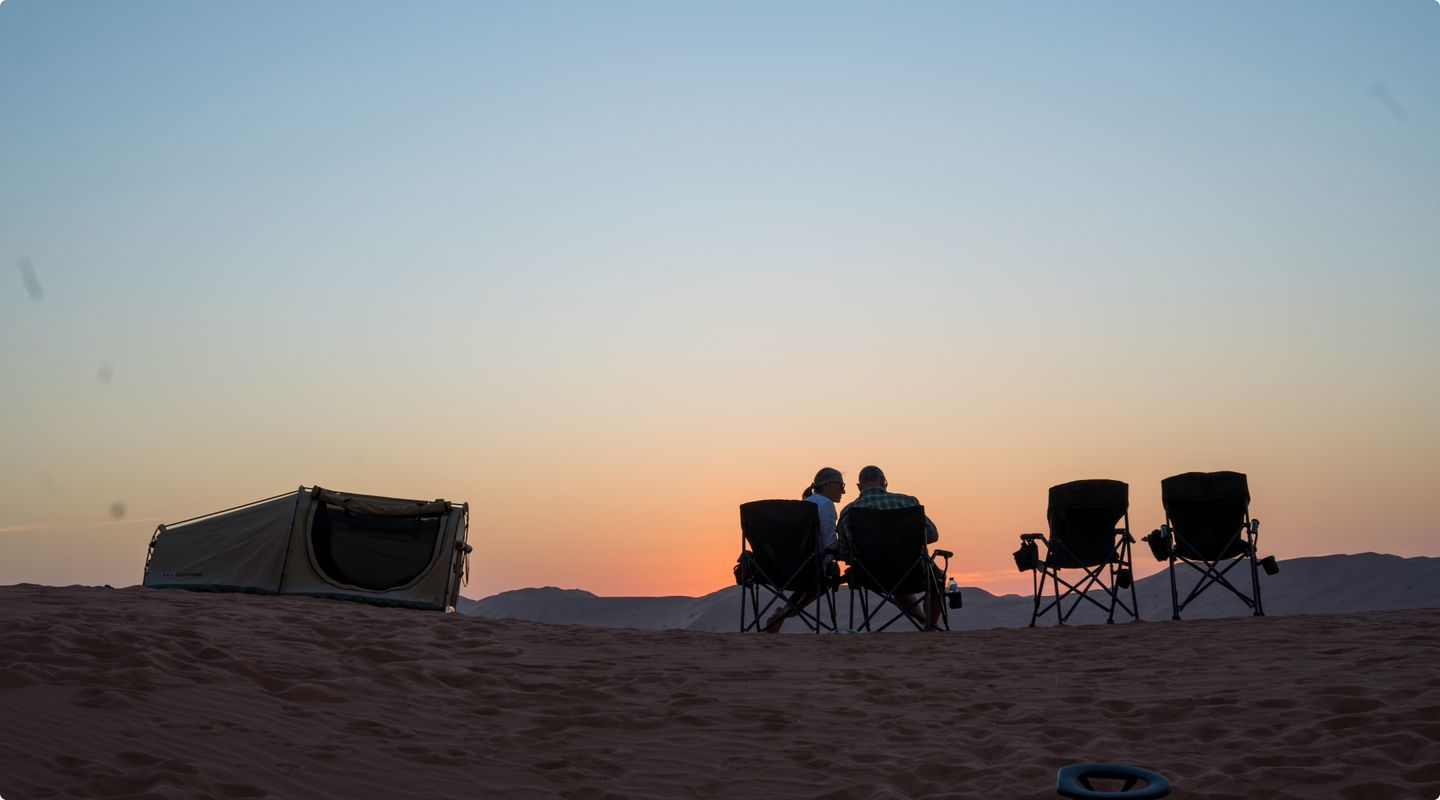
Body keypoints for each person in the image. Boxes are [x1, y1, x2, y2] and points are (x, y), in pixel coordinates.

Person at [836, 465, 944, 629]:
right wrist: (905, 544)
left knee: (894, 582)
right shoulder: (908, 502)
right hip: (913, 570)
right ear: (884, 482)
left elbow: (844, 551)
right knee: (938, 580)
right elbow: (933, 535)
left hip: (870, 574)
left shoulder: (849, 511)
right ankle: (929, 626)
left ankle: (925, 622)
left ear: (859, 486)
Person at [762, 467, 845, 633]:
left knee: (813, 573)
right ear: (828, 484)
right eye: (841, 485)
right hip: (811, 570)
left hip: (782, 569)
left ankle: (784, 612)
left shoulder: (804, 505)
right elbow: (829, 545)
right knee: (828, 576)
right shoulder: (826, 505)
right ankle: (787, 612)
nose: (843, 490)